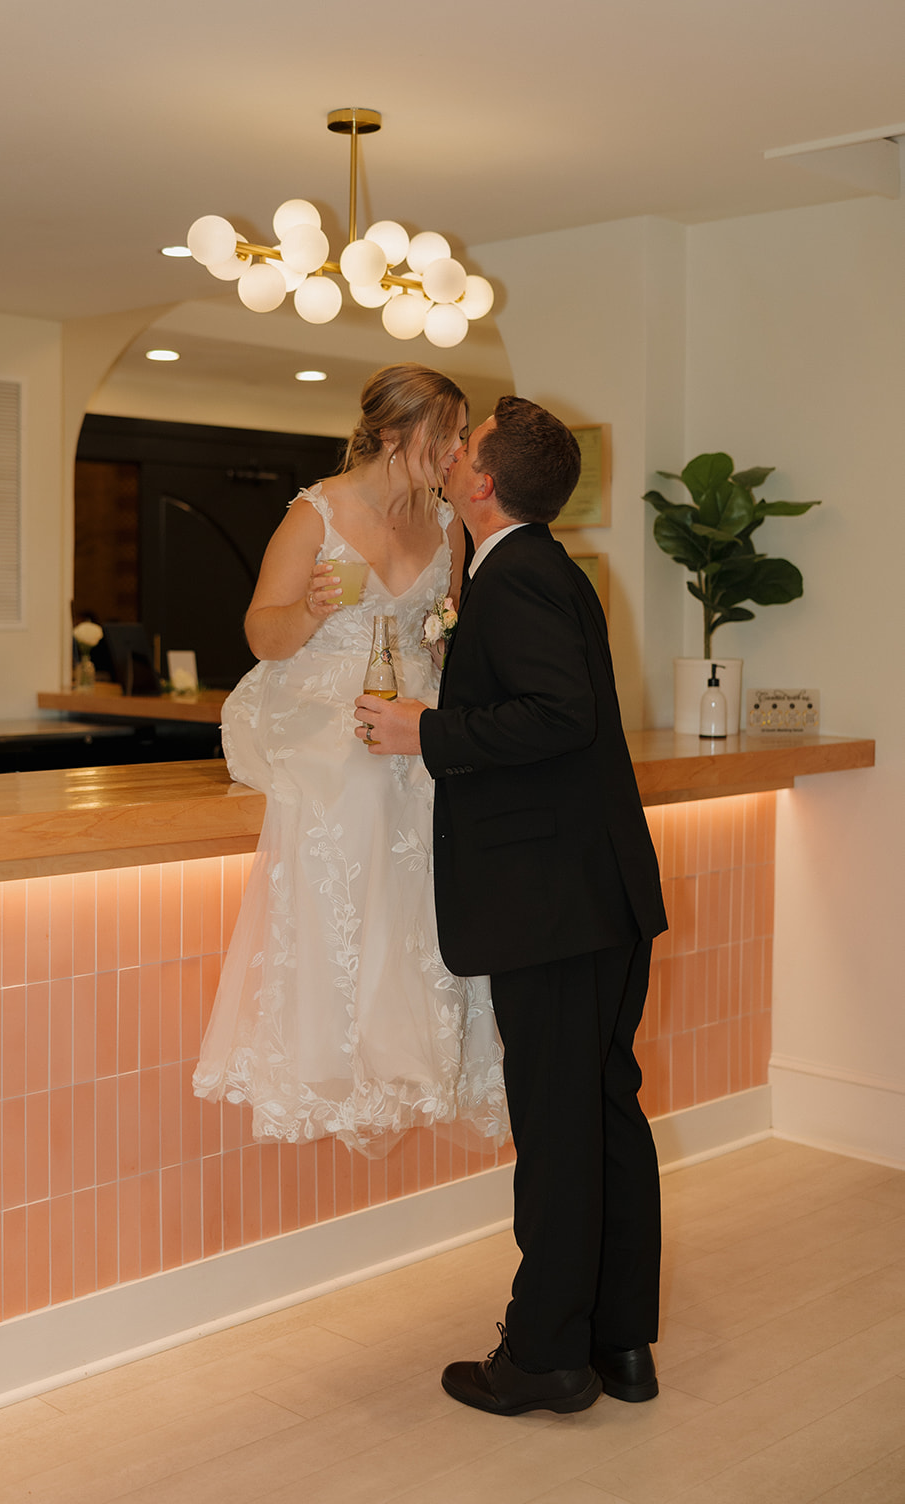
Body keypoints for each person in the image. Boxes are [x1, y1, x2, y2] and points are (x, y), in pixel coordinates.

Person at [355, 396, 668, 1413]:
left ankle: (541, 1357)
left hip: (554, 902)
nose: (446, 452)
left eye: (461, 442)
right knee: (599, 1112)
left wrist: (425, 732)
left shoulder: (518, 574)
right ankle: (616, 1341)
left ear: (480, 480)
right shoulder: (535, 568)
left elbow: (555, 715)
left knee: (562, 1124)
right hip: (588, 893)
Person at [192, 364, 508, 1156]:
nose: (456, 452)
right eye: (446, 435)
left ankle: (427, 1035)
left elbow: (455, 635)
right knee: (364, 779)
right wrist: (310, 608)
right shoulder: (315, 514)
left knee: (449, 786)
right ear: (394, 434)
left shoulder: (445, 524)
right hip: (319, 700)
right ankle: (348, 1040)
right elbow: (261, 637)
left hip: (417, 703)